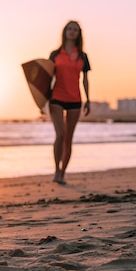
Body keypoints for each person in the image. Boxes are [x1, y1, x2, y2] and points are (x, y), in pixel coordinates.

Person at [48, 20, 91, 184]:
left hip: (75, 99)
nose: (72, 32)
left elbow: (85, 79)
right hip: (56, 98)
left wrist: (88, 100)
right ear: (64, 31)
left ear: (79, 33)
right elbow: (47, 78)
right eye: (69, 29)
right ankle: (56, 170)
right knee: (60, 134)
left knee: (68, 139)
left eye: (75, 29)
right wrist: (42, 101)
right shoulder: (55, 54)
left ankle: (63, 174)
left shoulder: (82, 56)